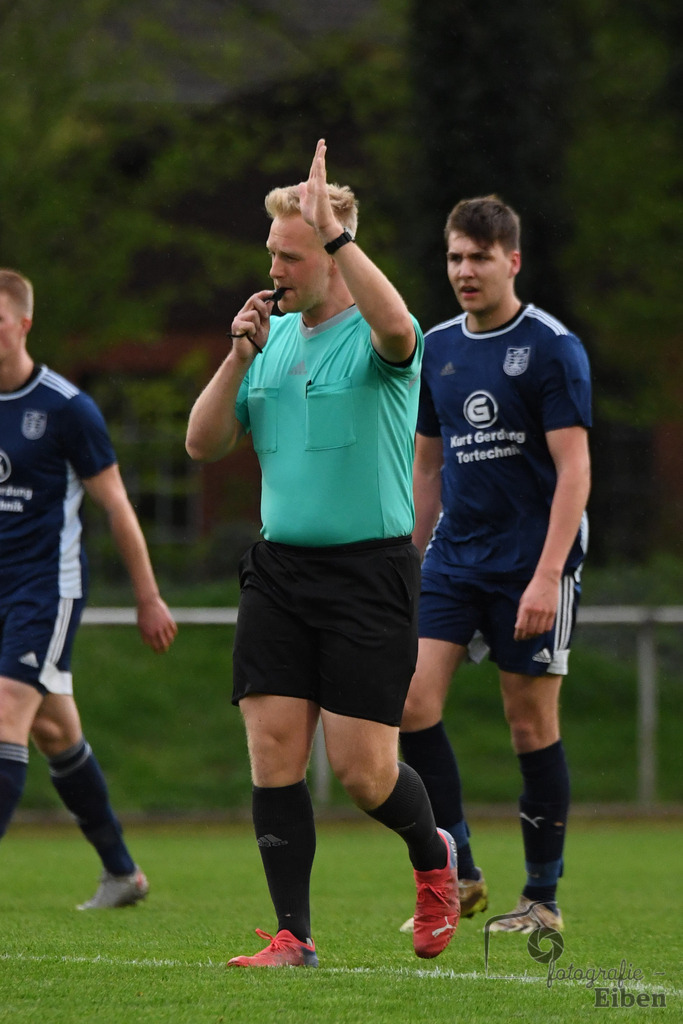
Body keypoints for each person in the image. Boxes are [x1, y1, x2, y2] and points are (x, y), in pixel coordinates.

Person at [186, 139, 460, 968]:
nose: (274, 267)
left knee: (362, 772)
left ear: (334, 257)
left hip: (367, 575)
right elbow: (202, 445)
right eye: (271, 251)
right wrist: (236, 358)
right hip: (278, 572)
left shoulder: (383, 341)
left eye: (290, 253)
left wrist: (336, 232)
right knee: (272, 750)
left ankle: (433, 857)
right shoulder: (266, 340)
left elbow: (396, 324)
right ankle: (293, 936)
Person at [398, 195, 591, 935]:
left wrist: (547, 576)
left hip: (530, 562)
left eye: (479, 257)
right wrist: (409, 562)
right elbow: (425, 469)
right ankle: (459, 869)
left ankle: (541, 898)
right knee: (412, 704)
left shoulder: (550, 346)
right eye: (454, 257)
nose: (464, 271)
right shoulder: (438, 347)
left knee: (527, 721)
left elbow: (574, 471)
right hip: (453, 559)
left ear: (511, 260)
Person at [0, 268, 178, 909]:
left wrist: (148, 595)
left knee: (5, 717)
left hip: (45, 592)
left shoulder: (66, 409)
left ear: (23, 324)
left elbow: (117, 507)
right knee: (55, 734)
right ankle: (123, 873)